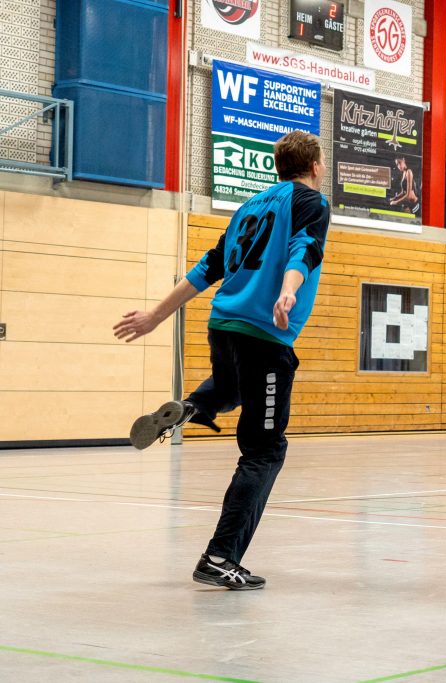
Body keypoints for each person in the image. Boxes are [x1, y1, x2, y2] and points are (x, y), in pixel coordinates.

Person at [113, 130, 330, 589]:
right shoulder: (311, 202)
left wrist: (155, 315)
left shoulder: (250, 207)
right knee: (265, 450)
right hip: (264, 335)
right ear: (315, 167)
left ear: (278, 167)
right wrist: (288, 290)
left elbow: (208, 267)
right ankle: (219, 557)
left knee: (230, 389)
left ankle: (193, 407)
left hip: (222, 327)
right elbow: (304, 250)